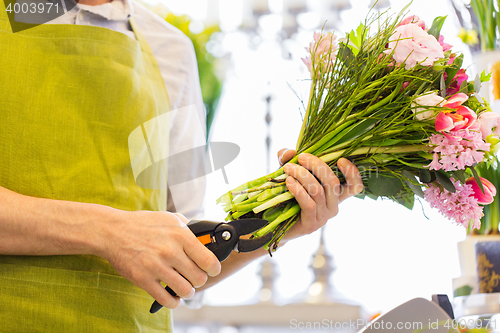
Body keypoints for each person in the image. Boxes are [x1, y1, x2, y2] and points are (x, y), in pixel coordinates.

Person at [0, 0, 363, 331]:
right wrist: (107, 232)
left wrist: (283, 223)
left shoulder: (169, 49)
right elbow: (127, 236)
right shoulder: (16, 16)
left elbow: (190, 251)